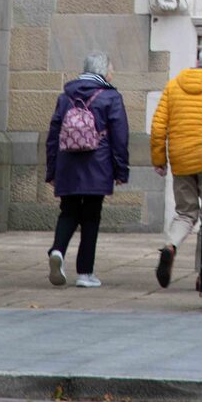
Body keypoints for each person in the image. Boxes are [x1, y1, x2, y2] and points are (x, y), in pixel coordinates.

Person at [150, 47, 202, 289]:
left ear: (196, 62)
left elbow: (158, 128)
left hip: (181, 160)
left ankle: (170, 246)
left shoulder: (174, 85)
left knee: (186, 212)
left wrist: (159, 160)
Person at [45, 52, 129, 288]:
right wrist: (121, 170)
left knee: (68, 211)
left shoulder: (65, 96)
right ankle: (85, 273)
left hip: (68, 162)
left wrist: (52, 169)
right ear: (103, 71)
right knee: (91, 216)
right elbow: (120, 136)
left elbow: (53, 136)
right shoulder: (110, 97)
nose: (112, 73)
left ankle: (58, 251)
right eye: (111, 69)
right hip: (98, 164)